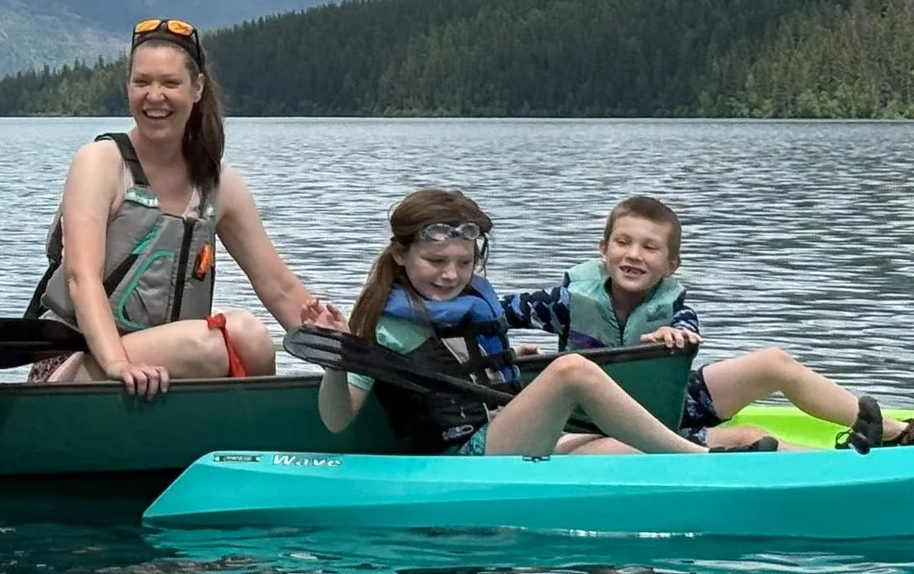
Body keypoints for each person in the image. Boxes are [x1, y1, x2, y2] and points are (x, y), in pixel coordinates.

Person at [502, 194, 914, 452]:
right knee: (751, 438)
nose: (633, 255)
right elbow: (492, 316)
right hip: (594, 424)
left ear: (671, 263)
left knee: (773, 361)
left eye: (649, 248)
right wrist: (509, 357)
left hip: (671, 406)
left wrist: (676, 336)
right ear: (602, 250)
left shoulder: (675, 307)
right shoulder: (562, 301)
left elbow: (688, 330)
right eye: (622, 243)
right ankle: (841, 470)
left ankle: (897, 433)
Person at [27, 17, 346, 396]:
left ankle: (254, 441)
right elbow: (82, 278)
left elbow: (278, 287)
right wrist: (118, 364)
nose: (154, 96)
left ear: (196, 89)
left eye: (170, 83)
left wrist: (342, 348)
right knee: (224, 341)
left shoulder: (220, 186)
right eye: (141, 82)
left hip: (161, 375)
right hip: (76, 364)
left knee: (253, 341)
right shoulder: (99, 162)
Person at [315, 188, 748, 457]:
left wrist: (507, 359)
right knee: (572, 369)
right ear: (400, 255)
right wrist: (336, 362)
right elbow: (336, 420)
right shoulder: (381, 326)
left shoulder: (470, 305)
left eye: (464, 263)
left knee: (624, 448)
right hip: (464, 455)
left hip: (513, 433)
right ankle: (694, 462)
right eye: (435, 261)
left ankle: (757, 452)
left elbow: (463, 366)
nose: (450, 275)